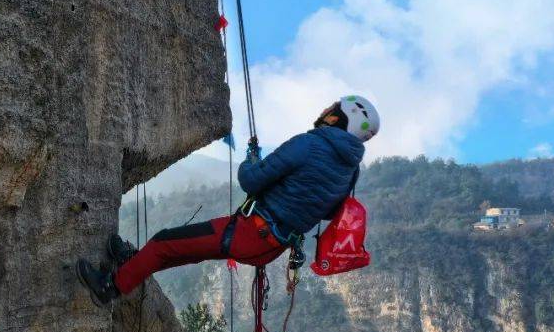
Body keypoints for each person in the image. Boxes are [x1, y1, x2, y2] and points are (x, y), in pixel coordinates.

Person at [77, 95, 380, 306]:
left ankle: (110, 288)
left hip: (250, 233)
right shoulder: (349, 170)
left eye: (333, 108)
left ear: (337, 118)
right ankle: (133, 266)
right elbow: (327, 211)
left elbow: (250, 180)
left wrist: (250, 162)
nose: (327, 110)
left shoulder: (310, 144)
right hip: (271, 246)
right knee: (178, 251)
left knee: (163, 243)